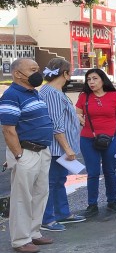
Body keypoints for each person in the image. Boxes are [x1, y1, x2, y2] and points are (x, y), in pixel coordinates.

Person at [1, 58, 54, 253]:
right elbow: (8, 130)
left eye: (37, 69)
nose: (37, 73)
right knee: (22, 198)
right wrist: (19, 156)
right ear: (18, 74)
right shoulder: (12, 95)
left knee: (40, 193)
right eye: (32, 69)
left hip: (42, 151)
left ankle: (34, 233)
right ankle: (21, 240)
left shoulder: (33, 93)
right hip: (26, 153)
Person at [40, 58, 86, 231]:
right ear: (65, 73)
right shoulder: (52, 92)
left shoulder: (55, 90)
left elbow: (61, 115)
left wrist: (76, 117)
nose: (71, 74)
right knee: (52, 183)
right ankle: (48, 219)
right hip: (56, 148)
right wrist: (68, 148)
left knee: (59, 180)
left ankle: (62, 214)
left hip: (59, 147)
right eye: (70, 71)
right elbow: (55, 124)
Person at [75, 68, 116, 218]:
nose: (91, 82)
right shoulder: (84, 96)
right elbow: (77, 112)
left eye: (95, 78)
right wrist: (78, 116)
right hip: (88, 138)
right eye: (89, 79)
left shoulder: (114, 96)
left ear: (103, 80)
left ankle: (112, 201)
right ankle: (92, 205)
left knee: (110, 170)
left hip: (112, 138)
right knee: (93, 172)